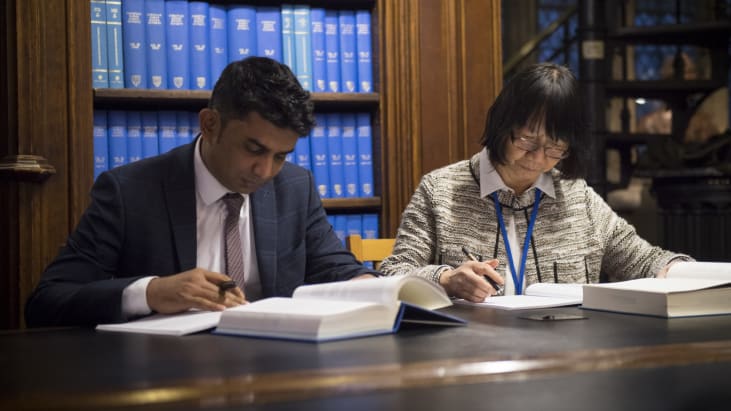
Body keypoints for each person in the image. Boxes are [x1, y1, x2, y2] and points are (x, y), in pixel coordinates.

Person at [25, 57, 379, 327]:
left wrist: (370, 285)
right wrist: (151, 292)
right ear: (210, 125)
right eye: (254, 150)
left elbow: (334, 267)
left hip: (275, 370)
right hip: (166, 377)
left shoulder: (295, 187)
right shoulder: (128, 191)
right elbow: (47, 302)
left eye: (281, 156)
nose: (265, 171)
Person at [379, 62, 692, 303]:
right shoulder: (441, 190)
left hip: (566, 358)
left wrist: (685, 272)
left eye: (556, 147)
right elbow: (393, 273)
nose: (539, 157)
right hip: (470, 358)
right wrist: (446, 279)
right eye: (528, 140)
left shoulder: (577, 197)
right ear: (503, 124)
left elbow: (646, 261)